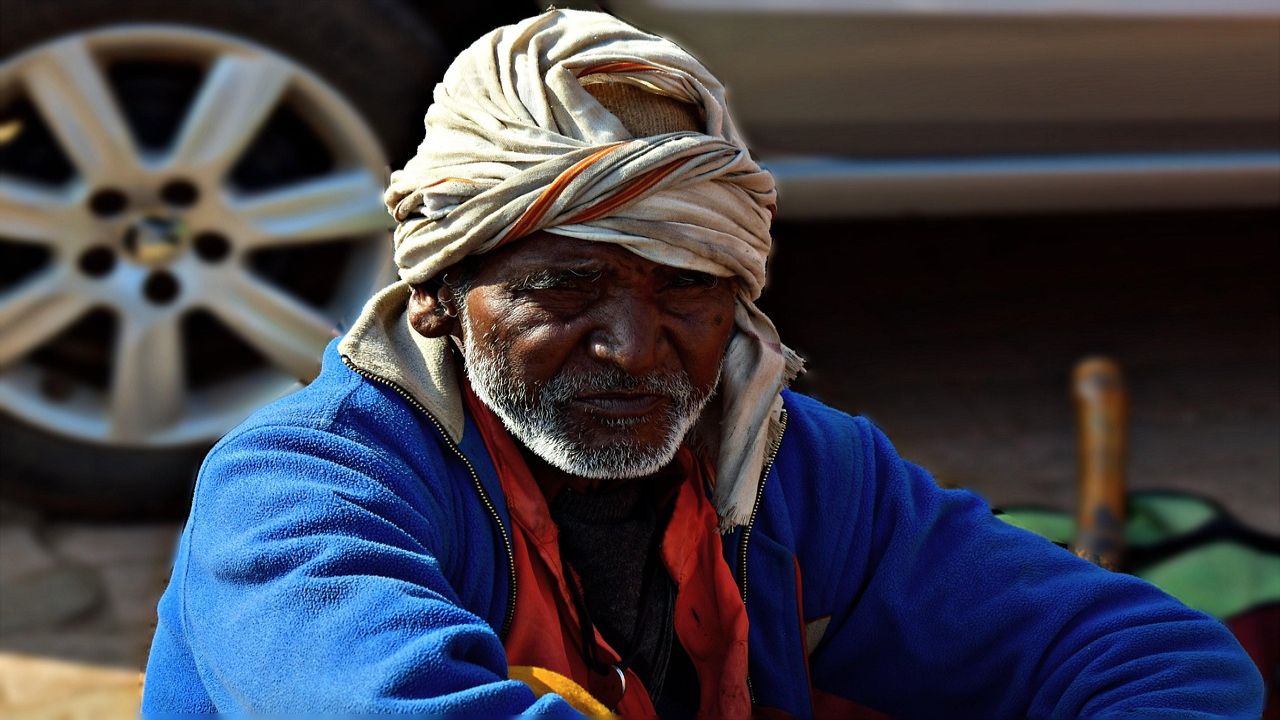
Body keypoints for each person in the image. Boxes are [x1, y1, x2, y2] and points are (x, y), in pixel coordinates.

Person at [142, 9, 1263, 718]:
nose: (636, 350)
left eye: (685, 287)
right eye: (562, 287)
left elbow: (1148, 655)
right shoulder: (300, 494)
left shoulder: (786, 466)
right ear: (436, 296)